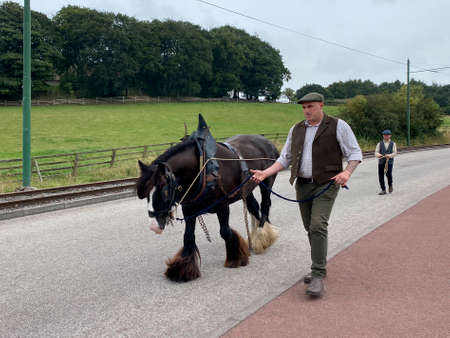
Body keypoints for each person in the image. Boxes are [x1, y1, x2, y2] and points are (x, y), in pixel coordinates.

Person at [250, 92, 362, 297]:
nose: (306, 111)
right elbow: (285, 158)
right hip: (302, 185)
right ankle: (319, 265)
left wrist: (347, 172)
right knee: (309, 228)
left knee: (318, 224)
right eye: (303, 108)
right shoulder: (297, 129)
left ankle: (317, 274)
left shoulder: (338, 126)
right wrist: (265, 173)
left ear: (321, 105)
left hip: (326, 184)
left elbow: (355, 153)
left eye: (310, 106)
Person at [375, 129, 397, 195]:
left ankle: (390, 185)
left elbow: (395, 152)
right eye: (384, 135)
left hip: (389, 162)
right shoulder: (379, 143)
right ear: (383, 136)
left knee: (388, 174)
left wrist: (389, 155)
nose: (386, 136)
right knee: (381, 175)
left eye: (387, 135)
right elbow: (376, 152)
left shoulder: (393, 143)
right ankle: (383, 189)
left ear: (390, 136)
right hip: (381, 161)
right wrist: (379, 155)